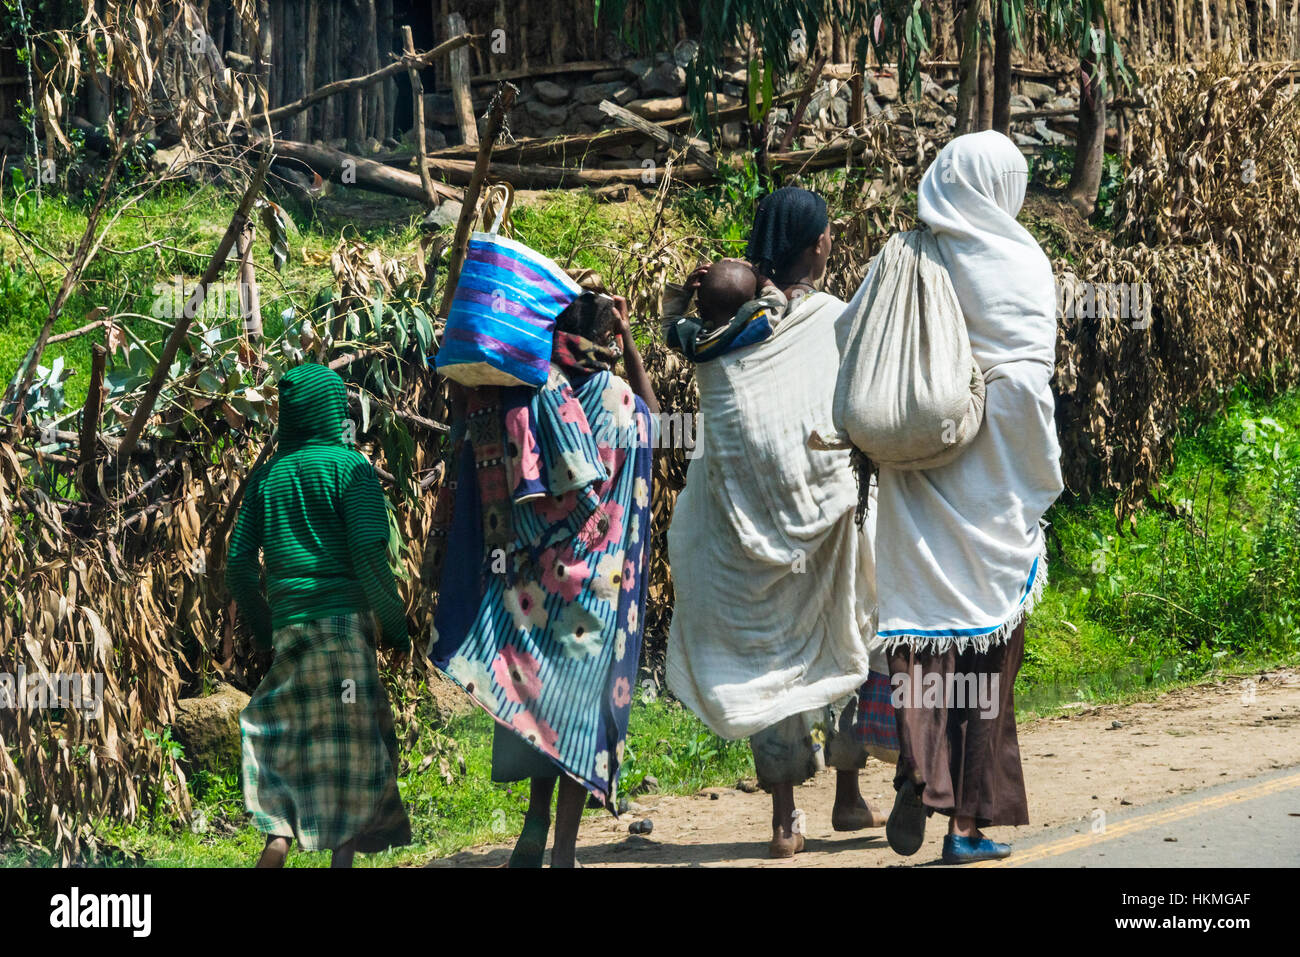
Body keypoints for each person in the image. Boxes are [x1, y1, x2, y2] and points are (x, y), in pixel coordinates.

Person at [666, 186, 895, 859]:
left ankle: (786, 817)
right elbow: (859, 404)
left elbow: (679, 340)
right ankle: (849, 795)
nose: (830, 241)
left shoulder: (718, 330)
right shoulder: (829, 317)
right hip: (827, 512)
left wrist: (682, 297)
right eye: (826, 233)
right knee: (847, 624)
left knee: (770, 649)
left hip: (745, 520)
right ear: (817, 244)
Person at [868, 130, 1064, 864]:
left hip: (916, 483)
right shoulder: (1022, 265)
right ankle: (965, 826)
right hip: (993, 498)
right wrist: (1035, 481)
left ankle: (918, 762)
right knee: (989, 660)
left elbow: (859, 341)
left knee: (922, 641)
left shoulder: (906, 254)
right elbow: (1029, 394)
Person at [427, 278, 658, 868]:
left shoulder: (519, 397)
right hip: (596, 591)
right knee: (578, 719)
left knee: (539, 709)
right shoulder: (620, 403)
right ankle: (563, 852)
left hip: (529, 588)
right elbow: (656, 419)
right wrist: (631, 341)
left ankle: (532, 831)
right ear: (607, 335)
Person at [227, 362, 412, 868]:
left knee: (289, 747)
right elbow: (370, 554)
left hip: (292, 632)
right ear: (332, 411)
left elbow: (238, 568)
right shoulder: (350, 469)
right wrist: (396, 627)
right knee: (350, 751)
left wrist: (268, 630)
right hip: (346, 633)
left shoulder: (265, 480)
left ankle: (278, 841)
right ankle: (342, 859)